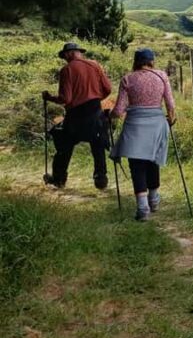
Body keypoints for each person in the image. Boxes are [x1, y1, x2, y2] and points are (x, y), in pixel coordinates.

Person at [110, 48, 177, 221]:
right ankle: (154, 199)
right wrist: (170, 119)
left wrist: (108, 116)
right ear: (151, 61)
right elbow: (170, 105)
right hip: (156, 122)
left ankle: (142, 208)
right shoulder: (162, 76)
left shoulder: (128, 78)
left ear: (136, 61)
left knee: (137, 164)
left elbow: (118, 111)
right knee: (152, 160)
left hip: (135, 125)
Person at [42, 42, 113, 189]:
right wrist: (95, 99)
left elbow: (65, 99)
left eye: (64, 56)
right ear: (79, 52)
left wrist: (49, 98)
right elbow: (108, 89)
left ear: (69, 54)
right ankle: (101, 179)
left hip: (75, 115)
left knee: (64, 146)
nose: (64, 59)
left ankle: (59, 179)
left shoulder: (66, 70)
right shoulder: (95, 65)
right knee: (97, 145)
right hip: (95, 111)